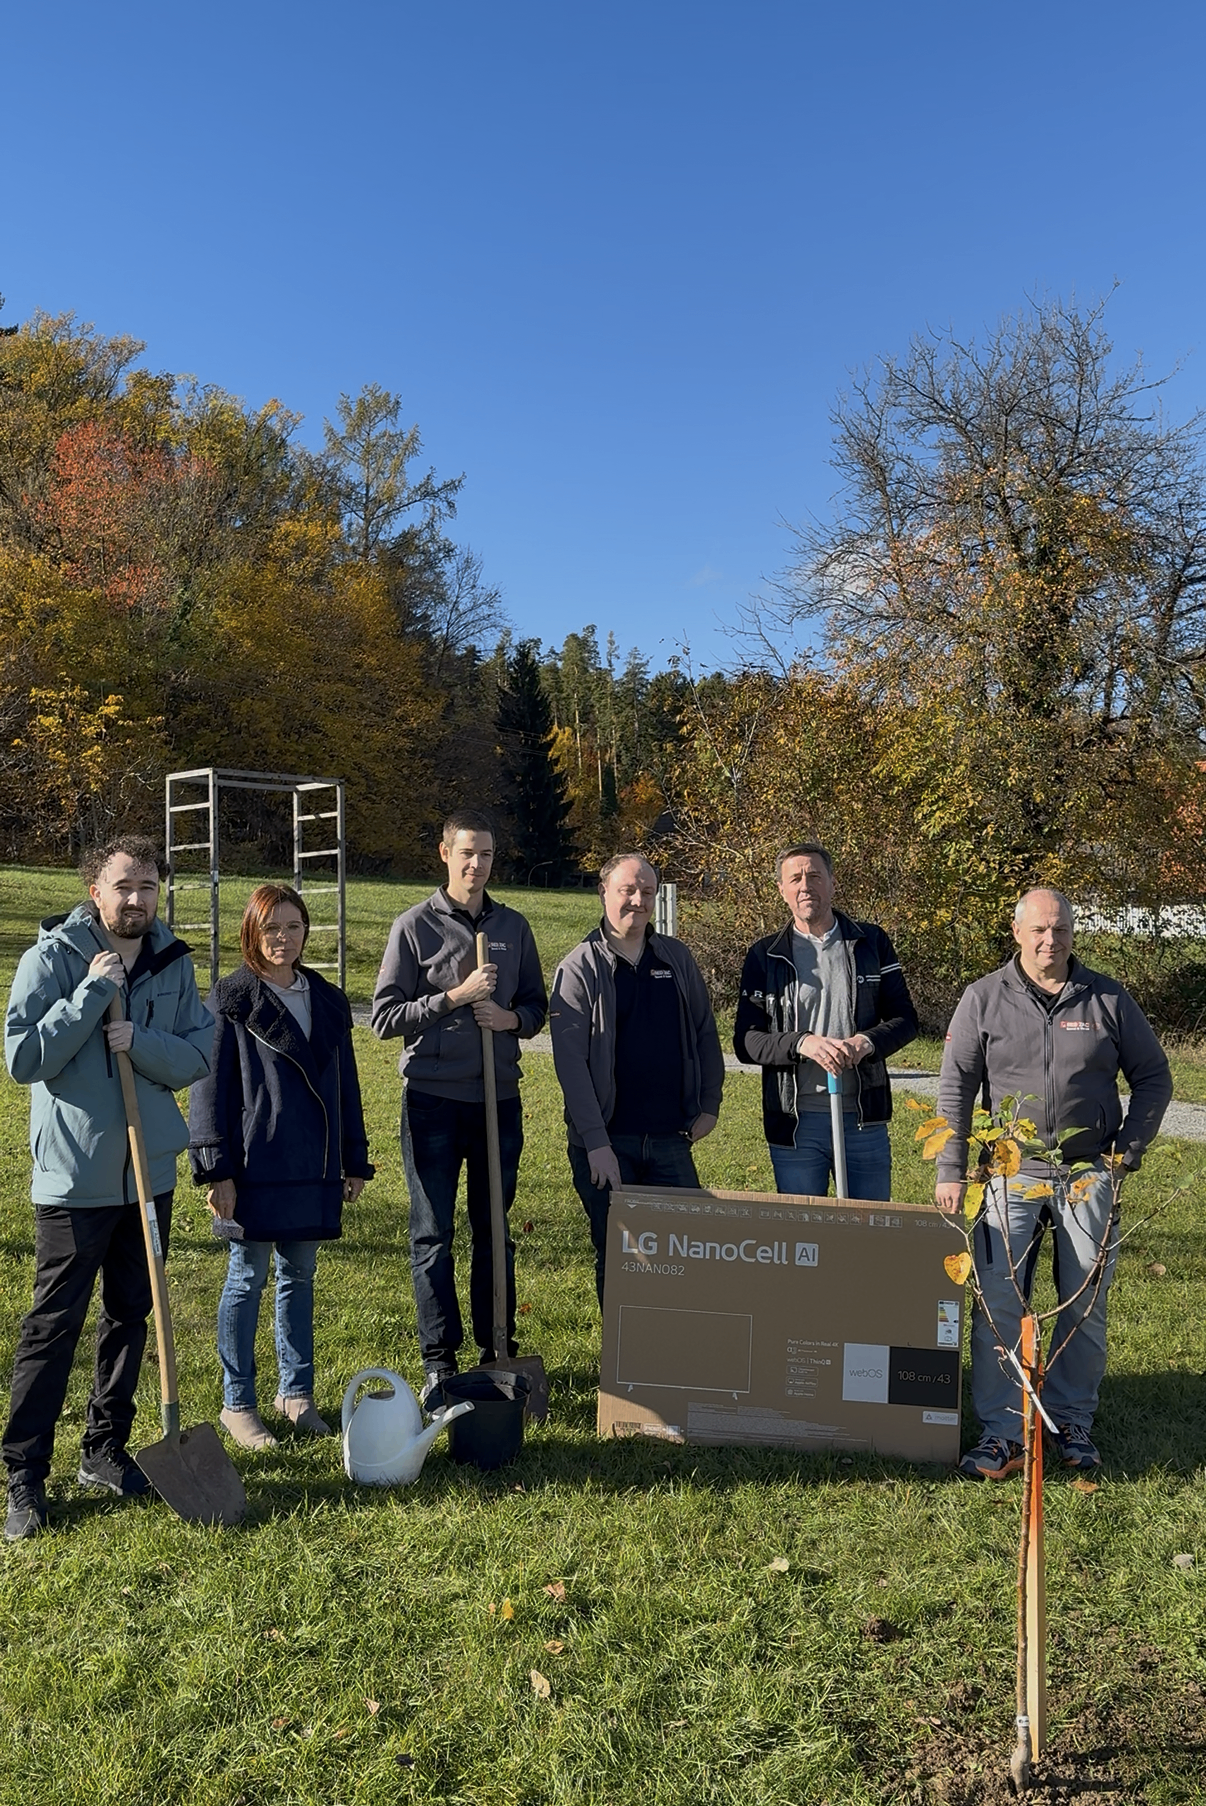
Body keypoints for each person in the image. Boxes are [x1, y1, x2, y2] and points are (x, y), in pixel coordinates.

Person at [2, 836, 213, 1540]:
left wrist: (138, 1043)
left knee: (130, 1313)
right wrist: (91, 998)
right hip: (76, 1179)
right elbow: (25, 1058)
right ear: (94, 890)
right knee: (52, 1328)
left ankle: (105, 1450)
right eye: (123, 885)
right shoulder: (52, 958)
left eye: (148, 886)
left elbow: (199, 1053)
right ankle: (24, 1478)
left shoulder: (171, 962)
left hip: (148, 1175)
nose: (137, 899)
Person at [936, 887, 1172, 1479]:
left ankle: (1071, 1423)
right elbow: (957, 1088)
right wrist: (952, 1167)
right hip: (1009, 1173)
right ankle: (1002, 1432)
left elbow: (1154, 1077)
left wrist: (1126, 1152)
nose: (1051, 940)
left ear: (1072, 933)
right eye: (1039, 930)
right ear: (1017, 933)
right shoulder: (983, 998)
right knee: (998, 1302)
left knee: (1085, 1306)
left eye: (1061, 929)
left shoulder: (1107, 998)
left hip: (1087, 1174)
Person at [188, 885, 374, 1450]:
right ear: (251, 931)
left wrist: (354, 1157)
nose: (283, 938)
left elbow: (345, 1087)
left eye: (294, 926)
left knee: (300, 1277)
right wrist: (216, 1168)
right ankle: (237, 1402)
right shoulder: (232, 998)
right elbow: (208, 1089)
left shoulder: (327, 999)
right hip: (254, 1165)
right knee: (246, 1279)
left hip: (312, 1164)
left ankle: (296, 1396)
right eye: (271, 927)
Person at [371, 809, 547, 1405]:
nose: (477, 865)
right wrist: (454, 998)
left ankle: (498, 1347)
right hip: (433, 1104)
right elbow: (384, 1017)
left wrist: (510, 1019)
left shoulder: (514, 927)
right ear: (445, 854)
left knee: (494, 1230)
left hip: (499, 1100)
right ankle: (439, 1361)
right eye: (467, 854)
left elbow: (536, 1006)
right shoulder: (413, 926)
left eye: (487, 855)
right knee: (433, 1234)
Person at [550, 853, 724, 1303]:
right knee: (621, 1255)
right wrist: (596, 1143)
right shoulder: (578, 968)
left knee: (685, 1252)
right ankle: (623, 1365)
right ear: (604, 892)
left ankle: (671, 1355)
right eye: (628, 889)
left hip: (671, 1137)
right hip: (609, 1142)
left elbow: (706, 1031)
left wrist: (710, 1103)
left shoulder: (676, 958)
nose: (638, 900)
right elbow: (571, 1066)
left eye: (647, 891)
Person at [734, 842, 918, 1200]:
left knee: (869, 1233)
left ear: (832, 883)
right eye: (796, 878)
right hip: (795, 1123)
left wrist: (864, 1043)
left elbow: (906, 1019)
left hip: (864, 1119)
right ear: (782, 890)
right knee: (805, 1242)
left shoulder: (870, 943)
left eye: (815, 875)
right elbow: (746, 1041)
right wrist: (802, 1043)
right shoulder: (764, 955)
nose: (806, 885)